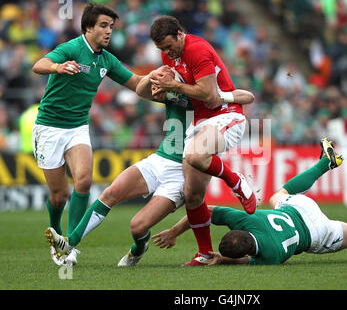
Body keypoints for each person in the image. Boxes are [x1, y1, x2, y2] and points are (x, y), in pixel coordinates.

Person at [44, 64, 255, 266]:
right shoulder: (172, 94)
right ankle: (69, 243)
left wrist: (219, 96)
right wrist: (154, 75)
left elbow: (247, 96)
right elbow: (140, 90)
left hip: (183, 173)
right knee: (110, 193)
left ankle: (140, 245)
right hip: (160, 160)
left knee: (137, 227)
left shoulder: (206, 96)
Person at [152, 140, 347, 265]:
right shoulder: (244, 219)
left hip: (316, 233)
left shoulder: (269, 255)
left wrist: (221, 259)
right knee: (277, 196)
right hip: (298, 209)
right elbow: (205, 210)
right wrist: (175, 230)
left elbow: (243, 262)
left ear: (249, 251)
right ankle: (325, 164)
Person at [33, 3, 144, 264]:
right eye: (103, 26)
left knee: (83, 181)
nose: (109, 32)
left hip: (77, 127)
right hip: (49, 127)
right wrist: (57, 68)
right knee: (59, 196)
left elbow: (136, 83)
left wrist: (164, 85)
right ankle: (55, 229)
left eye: (111, 27)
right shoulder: (72, 48)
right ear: (88, 28)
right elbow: (40, 64)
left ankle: (67, 245)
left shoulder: (106, 59)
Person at [148, 15, 258, 266]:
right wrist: (163, 90)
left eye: (169, 46)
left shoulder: (197, 50)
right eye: (162, 49)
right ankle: (205, 253)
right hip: (199, 121)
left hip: (225, 115)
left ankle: (235, 180)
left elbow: (208, 94)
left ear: (179, 34)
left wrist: (174, 84)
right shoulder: (170, 54)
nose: (167, 52)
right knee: (192, 194)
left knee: (195, 156)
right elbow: (179, 88)